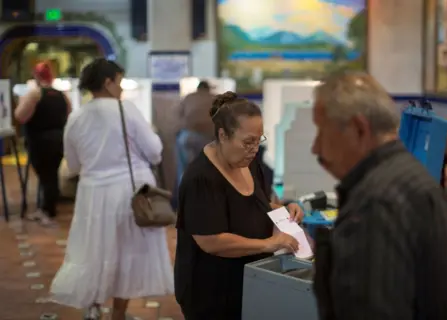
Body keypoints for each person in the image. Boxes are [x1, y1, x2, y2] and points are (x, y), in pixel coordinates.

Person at [311, 71, 447, 320]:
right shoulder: (414, 177)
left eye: (321, 132)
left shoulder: (375, 205)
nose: (316, 148)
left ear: (358, 129)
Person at [50, 58, 174, 320]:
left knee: (93, 251)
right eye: (119, 82)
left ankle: (93, 307)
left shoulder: (76, 117)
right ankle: (118, 314)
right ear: (108, 83)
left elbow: (72, 164)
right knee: (126, 254)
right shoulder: (125, 110)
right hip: (128, 194)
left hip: (92, 194)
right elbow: (154, 152)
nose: (121, 88)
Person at [175, 91, 305, 319]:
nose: (254, 149)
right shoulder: (201, 178)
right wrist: (268, 243)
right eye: (247, 142)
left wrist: (282, 210)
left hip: (246, 281)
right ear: (223, 135)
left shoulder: (250, 162)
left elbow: (255, 204)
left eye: (258, 140)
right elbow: (211, 241)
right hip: (210, 289)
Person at [14, 62, 71, 226]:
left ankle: (48, 211)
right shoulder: (62, 95)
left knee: (46, 176)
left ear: (36, 76)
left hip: (40, 140)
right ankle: (47, 208)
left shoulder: (35, 94)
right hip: (59, 139)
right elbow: (68, 114)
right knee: (51, 174)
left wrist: (24, 97)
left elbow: (20, 116)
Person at [173, 80, 216, 208]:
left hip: (188, 137)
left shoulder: (188, 97)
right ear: (208, 89)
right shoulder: (215, 98)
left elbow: (177, 117)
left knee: (185, 171)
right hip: (209, 139)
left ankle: (185, 205)